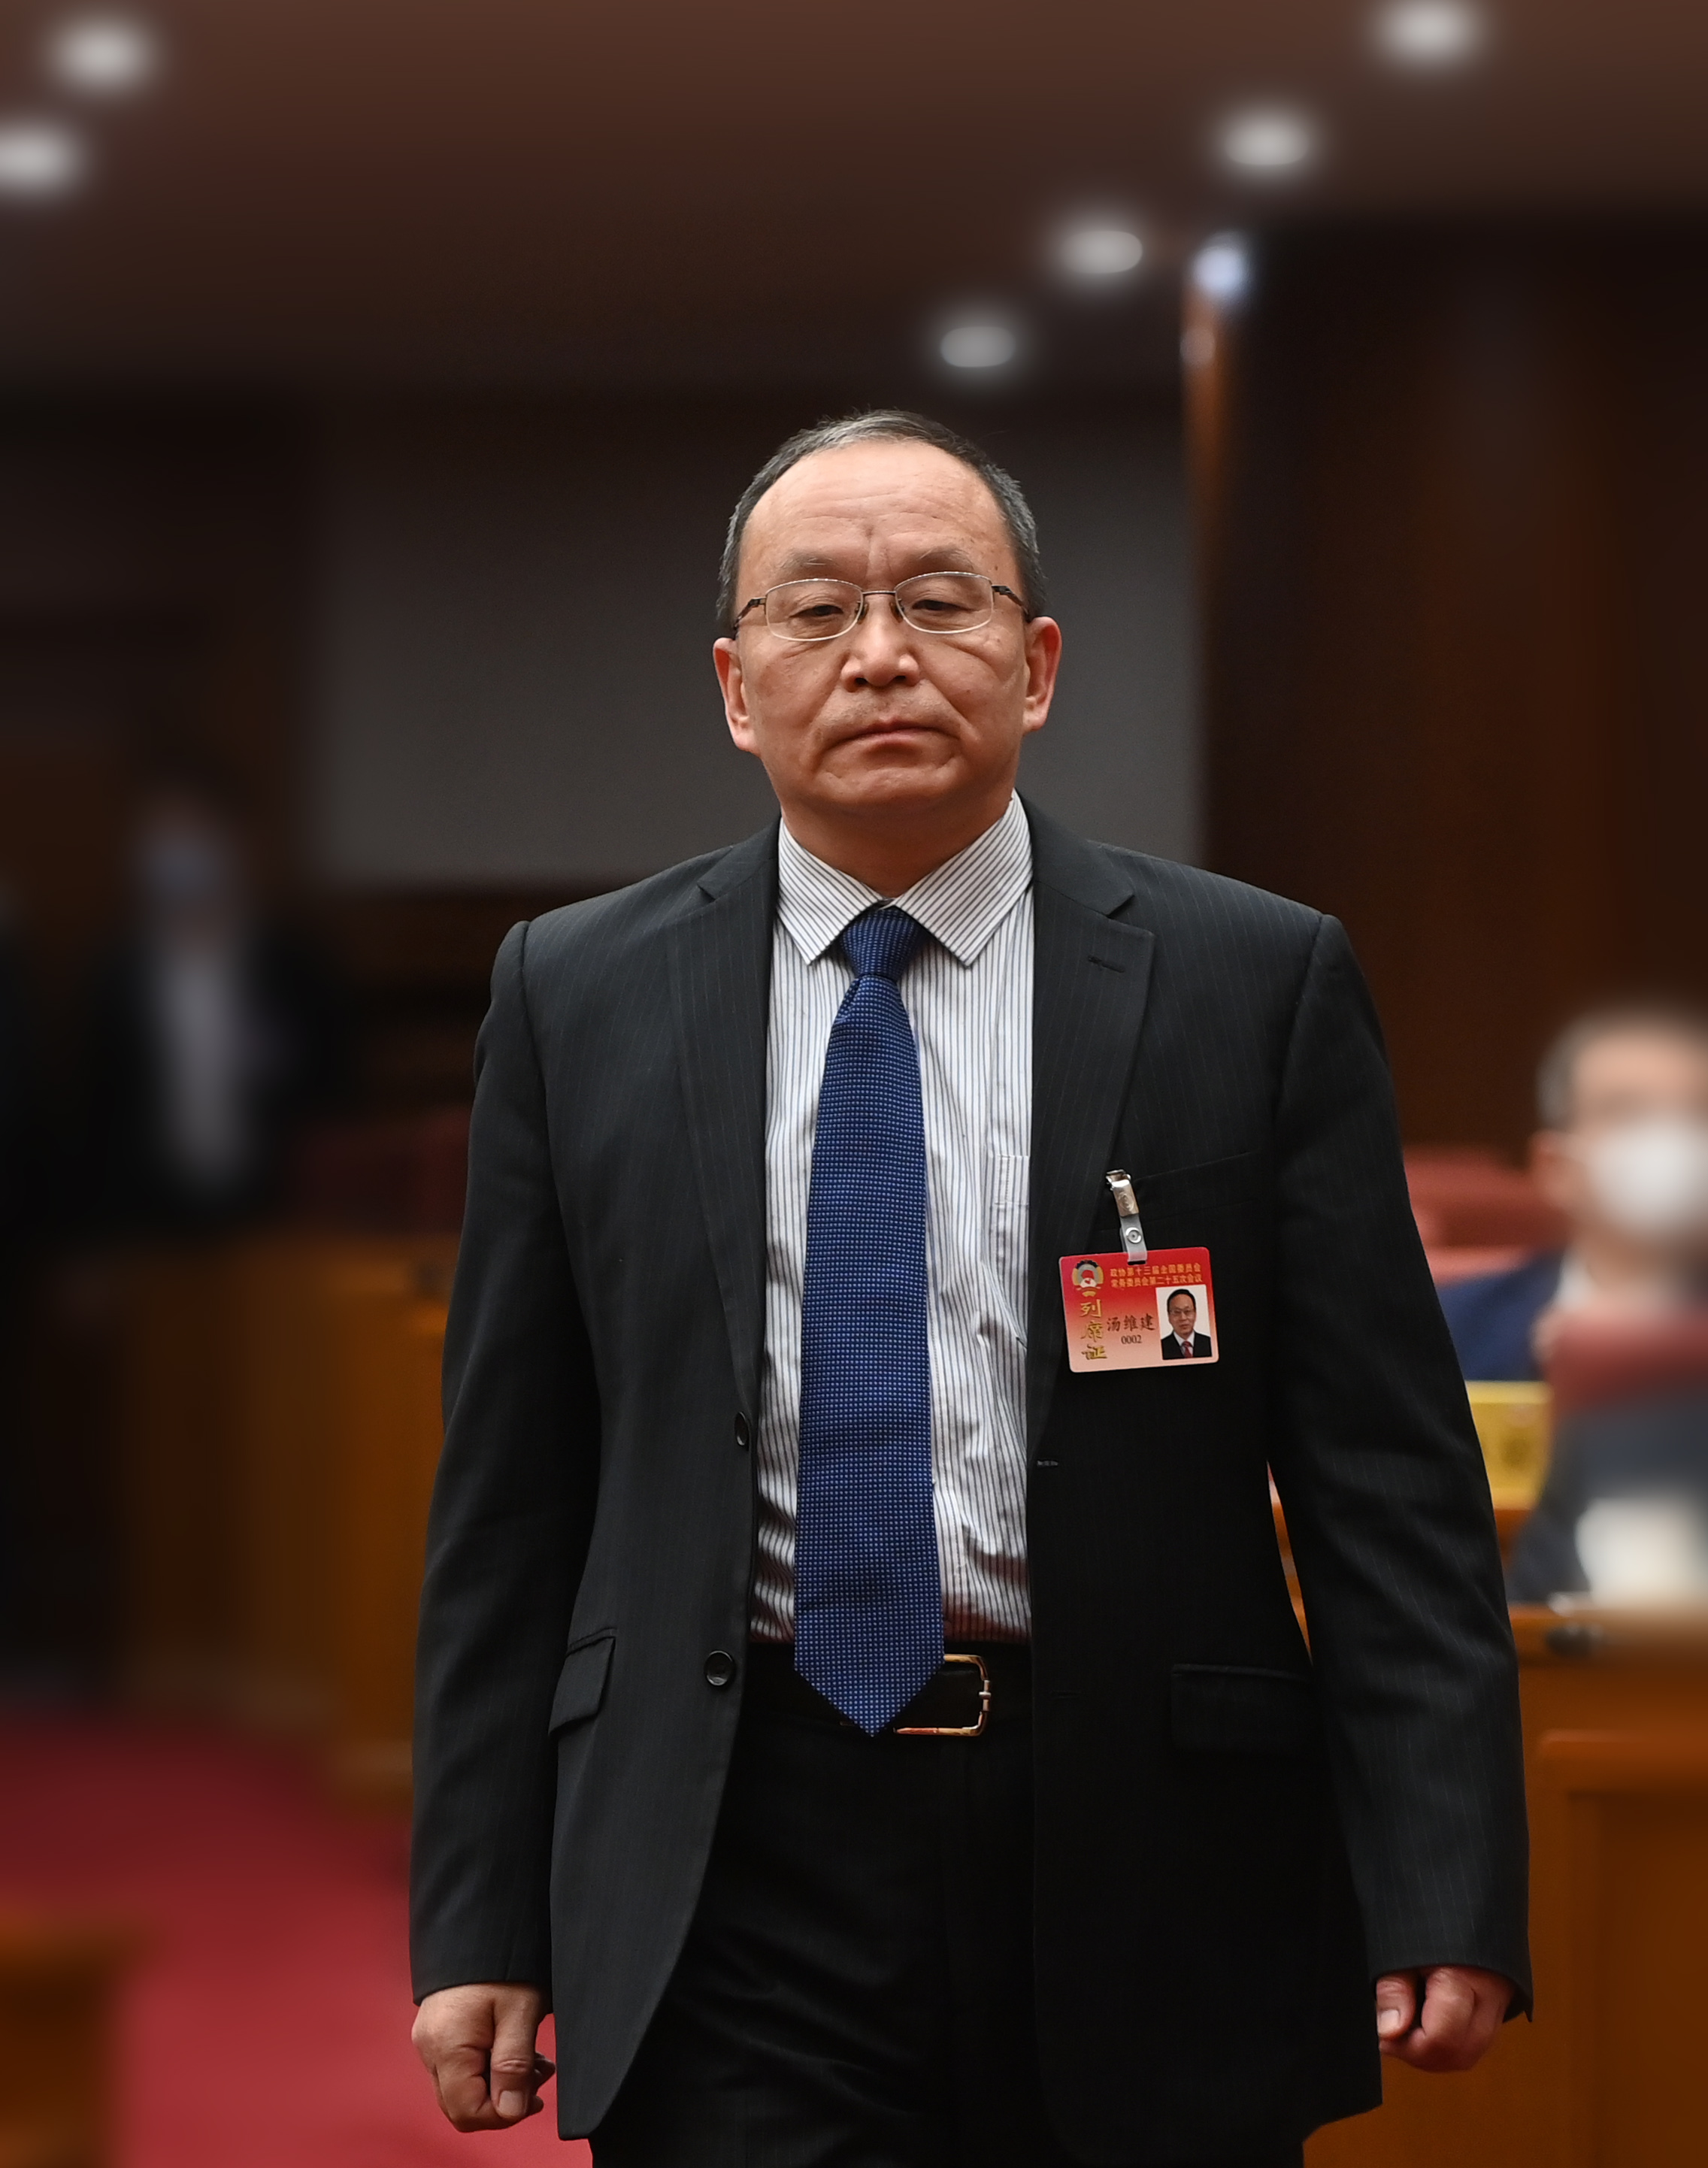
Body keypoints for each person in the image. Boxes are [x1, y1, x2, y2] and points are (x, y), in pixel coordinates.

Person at [410, 410, 1528, 2167]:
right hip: (731, 1831)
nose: (878, 655)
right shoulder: (577, 991)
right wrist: (481, 1908)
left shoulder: (1249, 979)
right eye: (814, 611)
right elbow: (511, 1492)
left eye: (939, 601)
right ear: (735, 685)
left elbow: (1385, 1478)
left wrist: (1443, 1873)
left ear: (1036, 665)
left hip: (1148, 1831)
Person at [81, 765, 348, 1234]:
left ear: (231, 842)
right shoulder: (116, 978)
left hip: (278, 1223)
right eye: (164, 837)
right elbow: (95, 1119)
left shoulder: (296, 969)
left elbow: (337, 1096)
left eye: (194, 832)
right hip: (146, 1228)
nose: (180, 852)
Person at [1440, 1006, 1708, 1382]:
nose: (1672, 1139)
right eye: (1628, 1113)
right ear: (1556, 1169)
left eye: (1699, 1111)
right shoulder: (1450, 1325)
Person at [1161, 1288, 1212, 1359]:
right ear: (1169, 1317)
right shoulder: (1160, 1347)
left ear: (1195, 1314)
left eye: (1187, 1311)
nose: (1183, 1318)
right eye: (1177, 1312)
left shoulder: (1210, 1343)